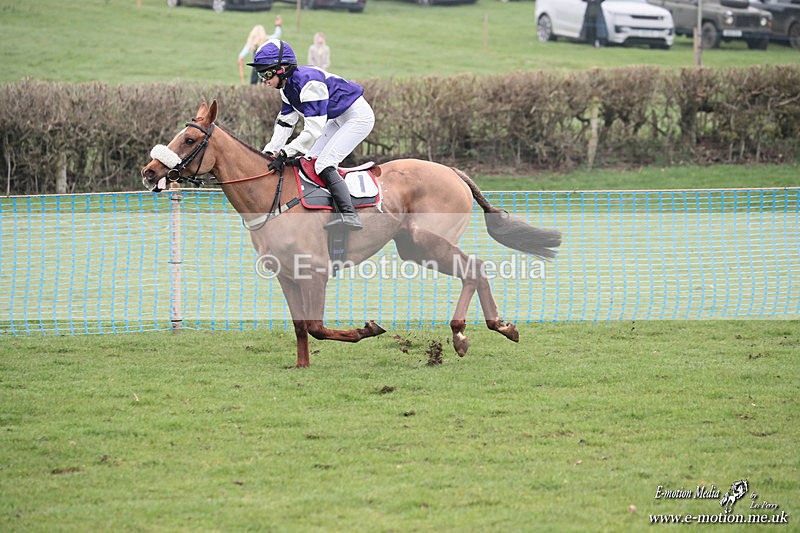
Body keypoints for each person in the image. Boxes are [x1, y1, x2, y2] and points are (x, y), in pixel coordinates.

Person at [249, 39, 374, 231]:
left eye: (267, 73)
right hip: (338, 116)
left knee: (324, 163)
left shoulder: (309, 85)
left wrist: (285, 153)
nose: (264, 79)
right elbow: (285, 123)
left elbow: (313, 131)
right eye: (261, 74)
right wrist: (270, 151)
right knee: (308, 160)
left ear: (283, 68)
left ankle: (350, 215)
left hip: (357, 117)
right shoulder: (286, 88)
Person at [238, 17, 282, 85]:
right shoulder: (266, 40)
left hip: (256, 68)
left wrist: (240, 60)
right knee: (266, 83)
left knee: (253, 84)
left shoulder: (251, 43)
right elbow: (276, 35)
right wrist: (278, 26)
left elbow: (241, 55)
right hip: (266, 67)